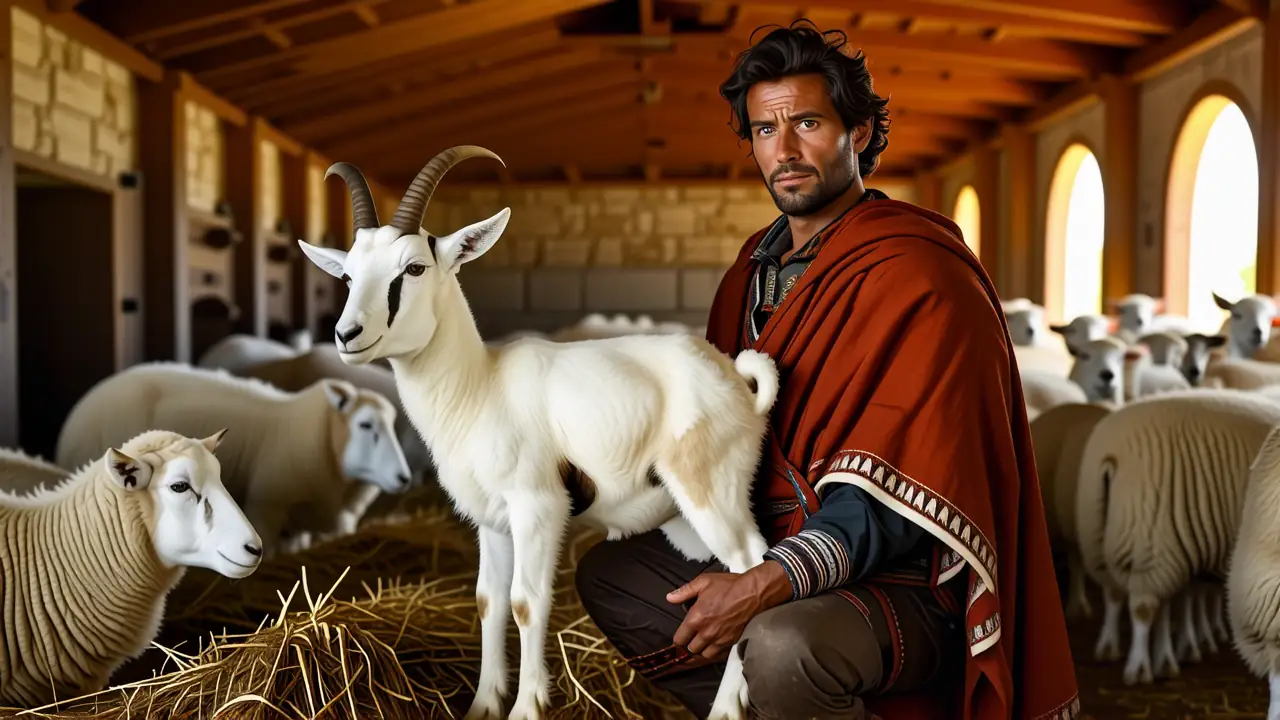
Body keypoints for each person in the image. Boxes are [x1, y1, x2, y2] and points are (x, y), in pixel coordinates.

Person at [573, 20, 1080, 720]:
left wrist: (766, 584)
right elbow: (718, 442)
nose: (783, 151)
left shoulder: (921, 274)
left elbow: (910, 494)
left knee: (783, 645)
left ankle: (791, 686)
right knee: (614, 575)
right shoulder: (749, 273)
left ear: (861, 131)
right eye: (762, 130)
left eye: (807, 122)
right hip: (769, 544)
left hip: (901, 580)